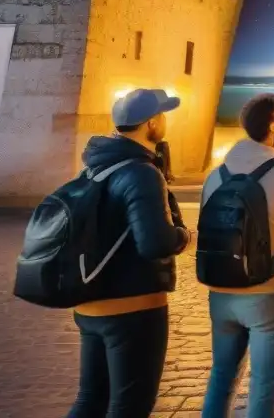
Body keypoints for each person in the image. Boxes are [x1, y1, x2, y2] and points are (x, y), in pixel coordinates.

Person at [68, 89, 191, 418]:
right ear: (151, 123)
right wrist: (184, 235)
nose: (165, 121)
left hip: (90, 301)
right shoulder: (141, 172)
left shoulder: (93, 167)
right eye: (162, 115)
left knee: (90, 399)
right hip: (132, 308)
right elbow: (155, 243)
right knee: (130, 406)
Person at [199, 93, 274, 418]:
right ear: (272, 126)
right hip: (270, 292)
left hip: (221, 291)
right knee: (266, 385)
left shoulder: (215, 175)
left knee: (221, 378)